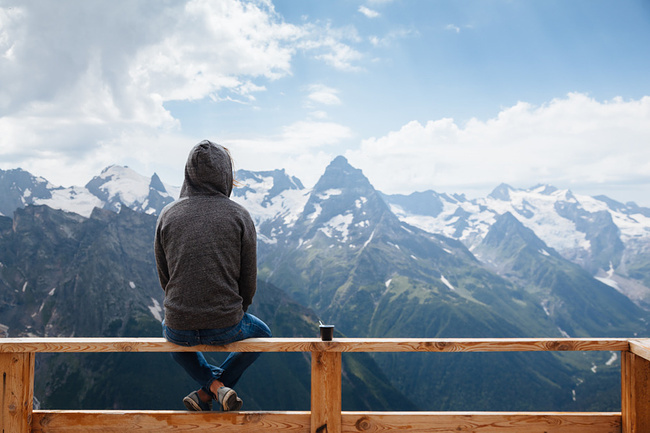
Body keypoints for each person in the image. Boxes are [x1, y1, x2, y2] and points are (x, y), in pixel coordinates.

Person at [154, 140, 271, 412]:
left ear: (188, 174)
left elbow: (165, 276)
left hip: (179, 323)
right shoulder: (240, 215)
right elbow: (248, 280)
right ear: (226, 175)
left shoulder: (167, 214)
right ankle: (213, 389)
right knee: (263, 333)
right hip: (227, 323)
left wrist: (181, 308)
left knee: (167, 327)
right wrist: (235, 312)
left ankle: (210, 388)